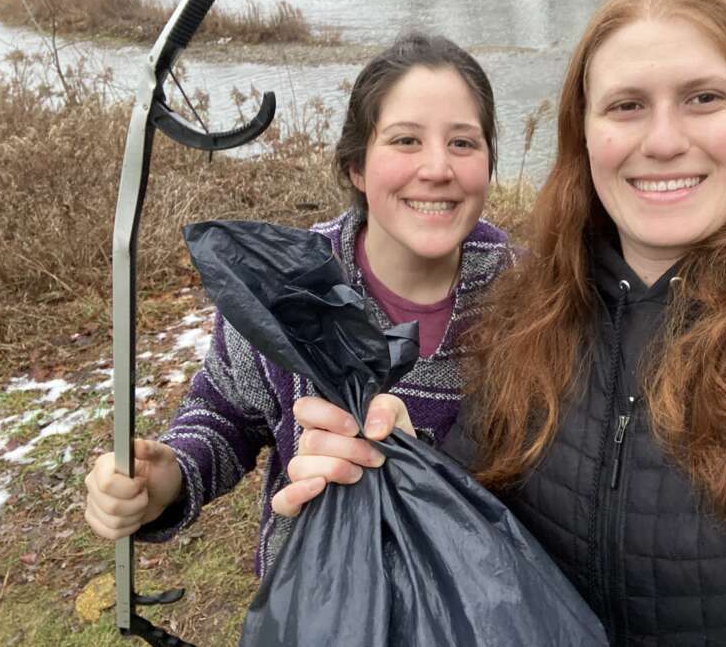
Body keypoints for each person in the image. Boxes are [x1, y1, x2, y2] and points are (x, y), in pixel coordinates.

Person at [291, 0, 726, 646]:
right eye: (626, 106)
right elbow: (485, 528)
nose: (662, 141)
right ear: (586, 136)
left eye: (704, 98)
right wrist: (397, 471)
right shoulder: (529, 316)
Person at [83, 32, 515, 578]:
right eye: (405, 141)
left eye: (463, 143)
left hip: (477, 603)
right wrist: (169, 476)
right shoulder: (288, 284)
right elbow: (226, 413)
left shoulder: (531, 293)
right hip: (314, 601)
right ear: (357, 166)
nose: (436, 168)